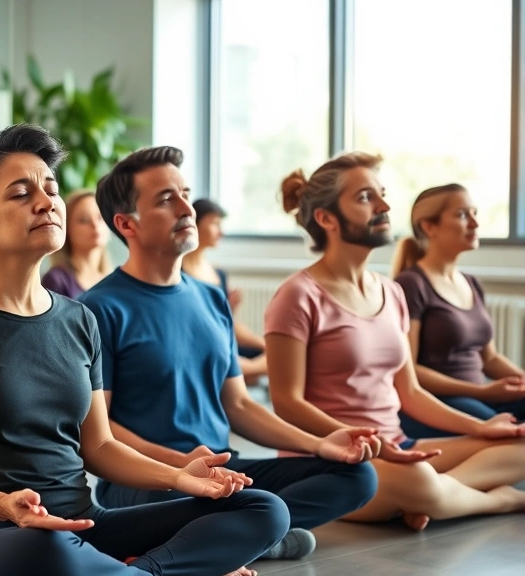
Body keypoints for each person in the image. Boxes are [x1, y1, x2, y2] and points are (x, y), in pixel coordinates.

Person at [0, 124, 291, 576]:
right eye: (21, 194)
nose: (47, 202)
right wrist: (3, 504)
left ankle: (139, 571)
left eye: (51, 189)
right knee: (47, 551)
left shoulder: (78, 319)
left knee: (262, 509)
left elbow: (99, 445)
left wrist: (180, 477)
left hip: (87, 523)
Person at [80, 146, 379, 561]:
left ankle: (241, 536)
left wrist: (321, 444)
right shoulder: (98, 309)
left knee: (355, 475)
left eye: (186, 193)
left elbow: (238, 405)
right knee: (216, 502)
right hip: (150, 480)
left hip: (222, 473)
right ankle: (248, 534)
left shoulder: (211, 299)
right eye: (167, 199)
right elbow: (101, 430)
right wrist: (179, 466)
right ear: (126, 223)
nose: (187, 208)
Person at [265, 152, 525, 531]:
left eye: (382, 194)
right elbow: (287, 403)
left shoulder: (391, 292)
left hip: (400, 446)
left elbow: (412, 393)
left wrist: (480, 428)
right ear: (326, 219)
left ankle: (425, 501)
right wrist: (361, 443)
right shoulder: (296, 295)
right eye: (365, 197)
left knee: (518, 446)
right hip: (338, 461)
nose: (385, 206)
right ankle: (502, 499)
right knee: (417, 478)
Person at [390, 184, 525, 438]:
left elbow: (490, 359)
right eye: (463, 214)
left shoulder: (472, 283)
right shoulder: (411, 284)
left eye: (474, 213)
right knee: (509, 434)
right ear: (429, 226)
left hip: (480, 395)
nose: (474, 223)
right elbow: (410, 370)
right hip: (439, 402)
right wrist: (483, 392)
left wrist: (519, 379)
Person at [181, 199, 267, 382]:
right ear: (194, 224)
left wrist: (264, 344)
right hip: (199, 343)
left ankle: (246, 371)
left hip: (221, 336)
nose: (221, 232)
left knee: (264, 352)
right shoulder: (178, 272)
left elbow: (227, 322)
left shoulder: (218, 273)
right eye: (214, 224)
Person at [41, 189, 112, 299]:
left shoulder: (113, 280)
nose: (95, 224)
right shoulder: (56, 280)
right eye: (84, 220)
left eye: (100, 217)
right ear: (67, 228)